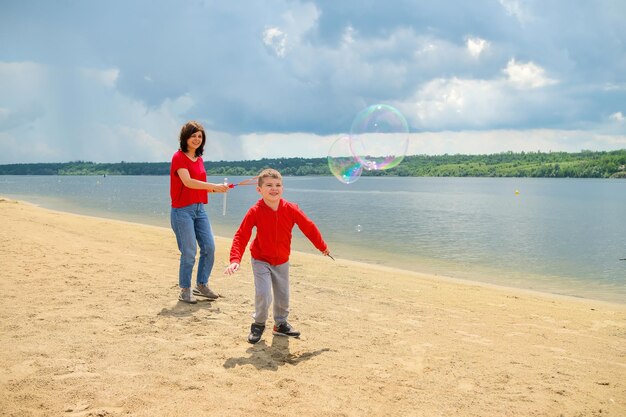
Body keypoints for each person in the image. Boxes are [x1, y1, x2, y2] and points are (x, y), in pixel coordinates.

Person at [224, 168, 331, 344]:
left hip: (282, 260)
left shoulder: (291, 209)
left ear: (282, 187)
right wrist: (235, 260)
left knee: (283, 296)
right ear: (259, 190)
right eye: (269, 185)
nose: (274, 188)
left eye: (278, 185)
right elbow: (241, 235)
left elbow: (309, 228)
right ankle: (258, 324)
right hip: (260, 259)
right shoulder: (255, 211)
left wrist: (322, 247)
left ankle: (280, 325)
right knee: (264, 294)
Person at [170, 121, 229, 304]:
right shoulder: (178, 157)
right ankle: (185, 289)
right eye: (193, 135)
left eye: (200, 136)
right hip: (182, 211)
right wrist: (213, 186)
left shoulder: (200, 159)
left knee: (209, 248)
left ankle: (201, 285)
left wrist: (219, 189)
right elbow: (188, 182)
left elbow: (199, 188)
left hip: (199, 209)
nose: (196, 139)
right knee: (189, 252)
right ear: (185, 137)